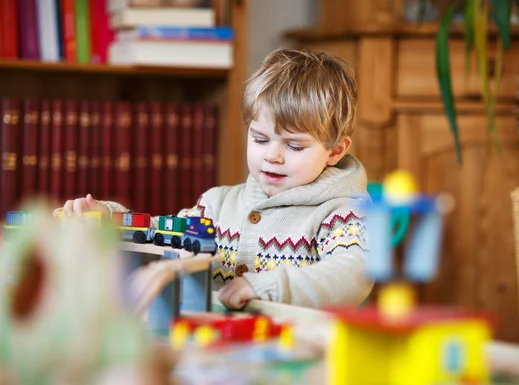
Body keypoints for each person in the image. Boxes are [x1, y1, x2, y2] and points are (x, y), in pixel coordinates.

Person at [53, 48, 373, 310]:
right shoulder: (216, 205)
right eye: (260, 139)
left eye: (293, 146)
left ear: (334, 151)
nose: (272, 155)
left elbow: (353, 272)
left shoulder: (344, 212)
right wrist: (111, 218)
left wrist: (268, 286)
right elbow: (163, 236)